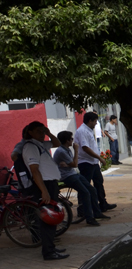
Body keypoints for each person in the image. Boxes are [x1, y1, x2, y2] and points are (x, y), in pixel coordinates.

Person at [19, 122, 69, 260]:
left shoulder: (41, 144)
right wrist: (44, 191)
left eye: (43, 131)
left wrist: (48, 133)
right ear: (30, 132)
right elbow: (34, 171)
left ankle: (50, 247)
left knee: (53, 218)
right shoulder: (30, 147)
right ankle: (48, 252)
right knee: (48, 218)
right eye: (38, 131)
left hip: (50, 183)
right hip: (43, 185)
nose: (42, 134)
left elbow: (57, 143)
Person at [53, 131, 109, 226]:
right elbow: (75, 164)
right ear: (67, 141)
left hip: (73, 173)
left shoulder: (66, 149)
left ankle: (97, 212)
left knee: (92, 189)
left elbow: (72, 164)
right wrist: (76, 150)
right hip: (67, 176)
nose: (73, 141)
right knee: (85, 192)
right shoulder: (62, 151)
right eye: (71, 139)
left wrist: (68, 164)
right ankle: (89, 218)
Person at [75, 111, 117, 213]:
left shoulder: (89, 130)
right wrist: (99, 158)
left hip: (93, 162)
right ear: (90, 121)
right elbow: (85, 147)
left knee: (98, 182)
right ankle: (82, 208)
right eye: (95, 122)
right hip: (86, 162)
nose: (96, 124)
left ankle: (102, 204)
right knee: (85, 185)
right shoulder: (82, 131)